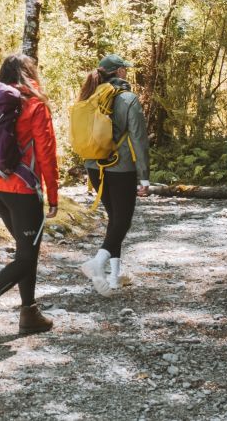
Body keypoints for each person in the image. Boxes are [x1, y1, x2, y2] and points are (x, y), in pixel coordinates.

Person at [0, 54, 59, 342]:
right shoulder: (35, 105)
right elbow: (46, 152)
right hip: (23, 190)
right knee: (27, 256)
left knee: (25, 252)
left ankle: (29, 314)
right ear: (30, 73)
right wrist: (53, 194)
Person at [78, 54, 150, 296]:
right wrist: (144, 176)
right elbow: (138, 138)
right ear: (119, 72)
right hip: (121, 166)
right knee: (123, 220)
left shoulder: (89, 96)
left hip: (94, 165)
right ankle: (98, 263)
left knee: (114, 219)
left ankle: (115, 275)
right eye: (124, 69)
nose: (126, 72)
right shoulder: (128, 98)